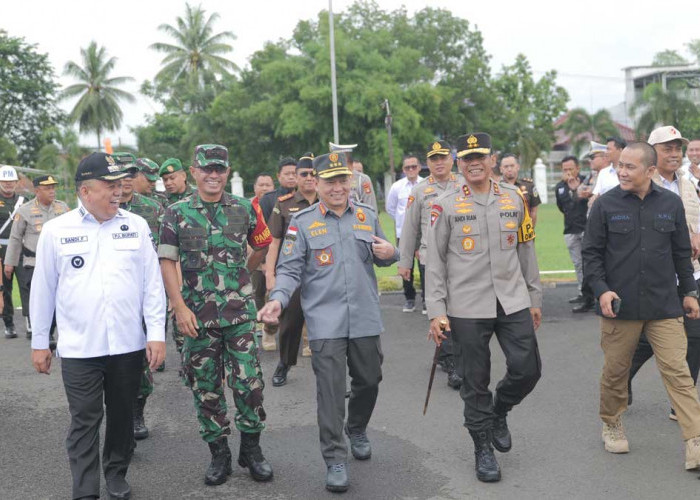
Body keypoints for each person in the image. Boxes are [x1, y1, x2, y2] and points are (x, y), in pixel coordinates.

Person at [258, 152, 398, 493]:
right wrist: (276, 300)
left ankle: (358, 427)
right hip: (325, 322)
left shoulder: (366, 216)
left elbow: (383, 255)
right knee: (331, 392)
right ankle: (335, 458)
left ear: (350, 181)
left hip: (364, 317)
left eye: (342, 180)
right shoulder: (302, 223)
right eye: (329, 181)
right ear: (316, 184)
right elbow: (290, 270)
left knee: (369, 379)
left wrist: (391, 253)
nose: (337, 188)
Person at [29, 152, 166, 500]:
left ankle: (116, 472)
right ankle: (85, 489)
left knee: (122, 417)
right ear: (85, 191)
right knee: (84, 420)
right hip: (79, 347)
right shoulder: (57, 231)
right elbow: (43, 289)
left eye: (120, 184)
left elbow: (152, 285)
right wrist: (40, 342)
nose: (118, 191)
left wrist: (156, 335)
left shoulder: (136, 225)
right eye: (109, 185)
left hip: (127, 345)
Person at [426, 132, 542, 483]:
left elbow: (526, 250)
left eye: (480, 156)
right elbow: (435, 261)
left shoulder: (514, 198)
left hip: (512, 298)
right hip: (466, 305)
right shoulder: (444, 204)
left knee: (528, 369)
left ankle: (499, 410)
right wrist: (436, 310)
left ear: (492, 159)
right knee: (475, 381)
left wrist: (534, 298)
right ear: (459, 163)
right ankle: (483, 449)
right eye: (467, 158)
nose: (474, 162)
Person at [159, 144, 274, 486]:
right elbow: (166, 261)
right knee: (206, 389)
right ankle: (219, 454)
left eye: (219, 169)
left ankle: (251, 450)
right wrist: (178, 307)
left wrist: (243, 271)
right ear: (193, 171)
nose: (213, 175)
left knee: (249, 385)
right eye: (206, 168)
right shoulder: (177, 212)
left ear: (227, 171)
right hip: (197, 319)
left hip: (239, 314)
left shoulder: (243, 208)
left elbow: (262, 244)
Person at [581, 141, 700, 470]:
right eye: (620, 165)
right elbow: (590, 254)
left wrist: (689, 292)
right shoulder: (605, 205)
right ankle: (612, 422)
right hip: (620, 307)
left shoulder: (671, 204)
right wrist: (602, 290)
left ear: (650, 171)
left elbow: (680, 254)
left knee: (678, 373)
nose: (621, 171)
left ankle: (695, 440)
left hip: (665, 305)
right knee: (616, 373)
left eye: (630, 167)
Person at [628, 126, 700, 417]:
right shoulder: (640, 185)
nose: (674, 153)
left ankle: (680, 401)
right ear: (652, 153)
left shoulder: (687, 183)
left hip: (689, 273)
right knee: (646, 340)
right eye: (667, 148)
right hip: (655, 276)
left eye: (677, 148)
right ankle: (619, 382)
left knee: (695, 336)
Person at [399, 140, 463, 389]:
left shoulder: (464, 185)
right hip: (431, 259)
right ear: (427, 163)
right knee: (441, 309)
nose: (439, 163)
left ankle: (449, 355)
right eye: (434, 159)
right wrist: (405, 262)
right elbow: (410, 228)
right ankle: (453, 364)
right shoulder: (420, 191)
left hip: (462, 259)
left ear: (452, 160)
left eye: (443, 157)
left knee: (460, 310)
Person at [265, 153, 318, 386]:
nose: (309, 178)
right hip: (293, 275)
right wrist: (270, 274)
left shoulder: (327, 201)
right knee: (289, 323)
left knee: (328, 324)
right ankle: (284, 364)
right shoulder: (284, 203)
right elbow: (274, 241)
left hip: (322, 273)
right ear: (295, 177)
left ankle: (330, 373)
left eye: (313, 174)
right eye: (304, 174)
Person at [4, 175, 68, 339]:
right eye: (47, 188)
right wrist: (9, 263)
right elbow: (15, 238)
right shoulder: (24, 210)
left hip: (60, 263)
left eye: (53, 188)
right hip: (34, 264)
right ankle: (45, 335)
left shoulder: (63, 208)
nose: (52, 191)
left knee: (61, 301)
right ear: (37, 190)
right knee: (41, 302)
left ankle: (55, 333)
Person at [554, 156, 593, 311]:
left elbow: (589, 202)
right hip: (570, 229)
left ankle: (593, 296)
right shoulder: (559, 187)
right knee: (578, 264)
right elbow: (561, 207)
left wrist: (575, 189)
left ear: (578, 168)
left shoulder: (586, 182)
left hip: (586, 228)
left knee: (589, 263)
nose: (568, 172)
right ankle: (582, 293)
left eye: (571, 169)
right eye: (565, 169)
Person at [386, 154, 424, 312]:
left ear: (419, 167)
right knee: (405, 266)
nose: (411, 170)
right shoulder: (397, 187)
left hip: (423, 234)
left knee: (425, 267)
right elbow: (390, 209)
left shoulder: (426, 184)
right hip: (404, 234)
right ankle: (409, 298)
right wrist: (404, 223)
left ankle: (427, 300)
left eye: (413, 166)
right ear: (403, 169)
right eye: (407, 167)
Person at [0, 165, 28, 339]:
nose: (8, 184)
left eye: (11, 181)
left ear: (17, 182)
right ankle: (9, 324)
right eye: (5, 181)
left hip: (22, 248)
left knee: (26, 285)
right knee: (6, 288)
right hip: (2, 248)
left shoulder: (25, 200)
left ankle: (30, 320)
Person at [249, 172, 276, 345]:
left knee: (274, 294)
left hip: (275, 256)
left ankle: (271, 327)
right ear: (254, 187)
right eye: (261, 184)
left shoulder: (278, 204)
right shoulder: (248, 206)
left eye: (268, 185)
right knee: (258, 291)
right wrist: (261, 264)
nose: (265, 188)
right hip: (255, 257)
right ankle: (261, 321)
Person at [329, 142, 378, 211]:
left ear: (351, 164)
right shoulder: (328, 180)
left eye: (342, 163)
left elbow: (371, 207)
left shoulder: (362, 179)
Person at [499, 154, 542, 227]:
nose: (509, 169)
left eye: (512, 166)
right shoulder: (496, 188)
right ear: (501, 169)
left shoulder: (529, 186)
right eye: (506, 166)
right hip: (504, 231)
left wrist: (530, 231)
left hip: (524, 230)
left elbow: (533, 211)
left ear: (518, 167)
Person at [259, 157, 297, 221]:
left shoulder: (305, 196)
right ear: (278, 176)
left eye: (294, 174)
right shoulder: (268, 199)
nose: (291, 177)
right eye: (287, 174)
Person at [577, 141, 609, 209]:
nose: (590, 160)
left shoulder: (611, 175)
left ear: (604, 157)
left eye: (592, 157)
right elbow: (579, 190)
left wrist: (591, 191)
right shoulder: (593, 174)